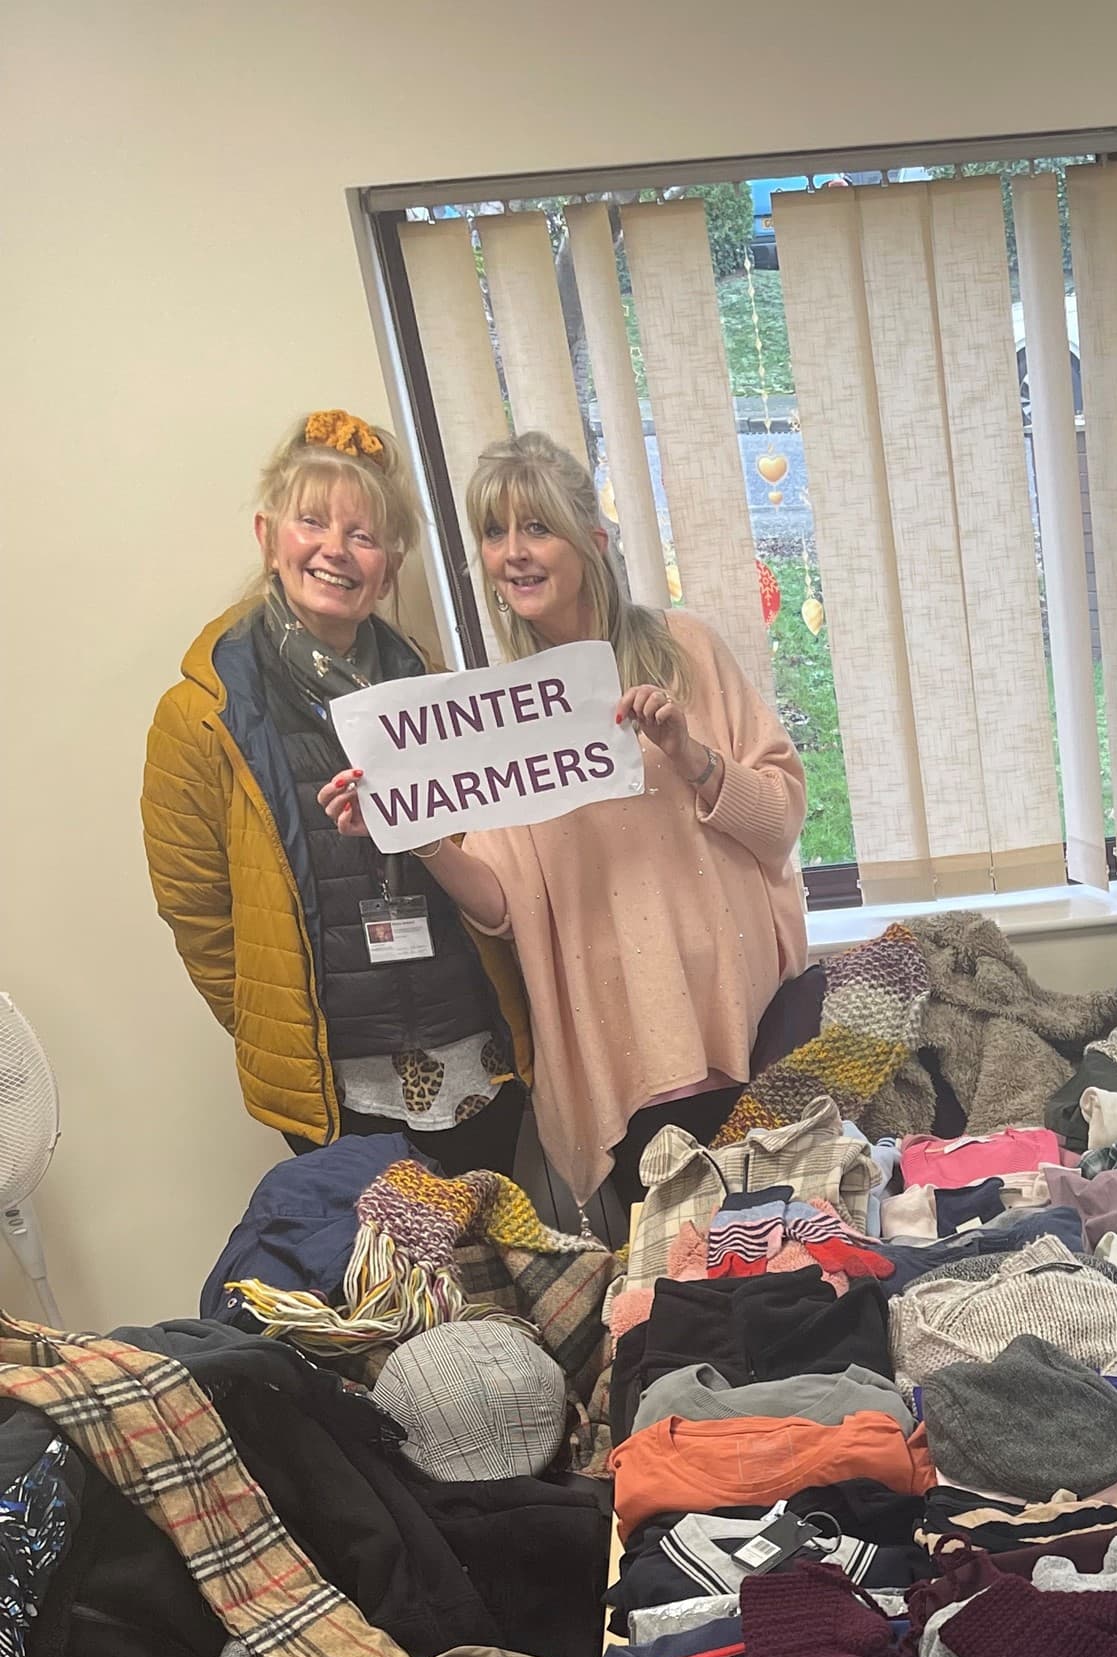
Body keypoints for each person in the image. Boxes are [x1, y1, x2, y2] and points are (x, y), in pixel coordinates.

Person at [318, 429, 808, 1210]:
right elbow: (500, 905)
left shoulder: (687, 651)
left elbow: (782, 821)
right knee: (676, 1288)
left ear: (593, 538)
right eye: (494, 531)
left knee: (795, 1259)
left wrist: (692, 755)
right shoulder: (497, 715)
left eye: (537, 526)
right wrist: (417, 833)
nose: (514, 551)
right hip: (626, 1047)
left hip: (744, 1019)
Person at [143, 409, 532, 1175]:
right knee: (375, 1287)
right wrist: (275, 1024)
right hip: (334, 1079)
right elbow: (198, 913)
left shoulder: (437, 696)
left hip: (473, 1051)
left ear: (389, 566)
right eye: (311, 521)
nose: (335, 550)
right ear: (268, 536)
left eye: (362, 534)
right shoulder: (201, 716)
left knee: (494, 1266)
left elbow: (490, 856)